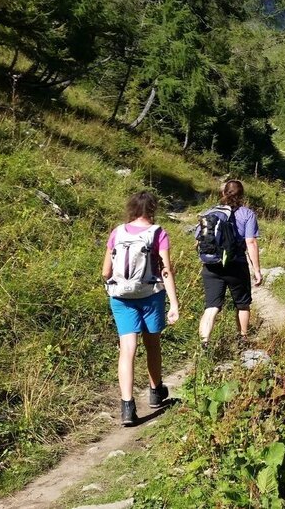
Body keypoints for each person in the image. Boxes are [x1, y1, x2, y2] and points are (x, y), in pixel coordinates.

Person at [102, 191, 179, 426]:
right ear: (153, 209)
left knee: (127, 349)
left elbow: (105, 272)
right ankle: (156, 392)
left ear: (132, 208)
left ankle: (127, 407)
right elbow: (165, 270)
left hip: (121, 297)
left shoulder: (117, 232)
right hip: (150, 295)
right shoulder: (158, 233)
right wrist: (174, 303)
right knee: (152, 344)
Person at [198, 179, 262, 349]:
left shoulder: (210, 212)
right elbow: (251, 242)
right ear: (242, 195)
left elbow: (199, 239)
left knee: (211, 307)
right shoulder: (247, 214)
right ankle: (243, 339)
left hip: (211, 265)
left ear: (223, 193)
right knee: (242, 304)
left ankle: (204, 343)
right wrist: (257, 270)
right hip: (236, 264)